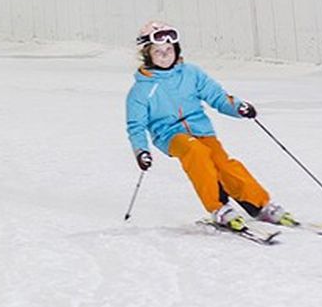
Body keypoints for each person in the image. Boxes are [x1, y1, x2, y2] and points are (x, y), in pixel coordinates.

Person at [125, 20, 295, 231]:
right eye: (158, 52)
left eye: (169, 50)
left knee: (223, 164)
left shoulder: (191, 73)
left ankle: (259, 204)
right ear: (147, 54)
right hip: (170, 135)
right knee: (196, 153)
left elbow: (216, 96)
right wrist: (141, 151)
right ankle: (218, 207)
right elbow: (136, 125)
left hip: (201, 130)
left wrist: (238, 107)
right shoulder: (141, 90)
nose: (165, 55)